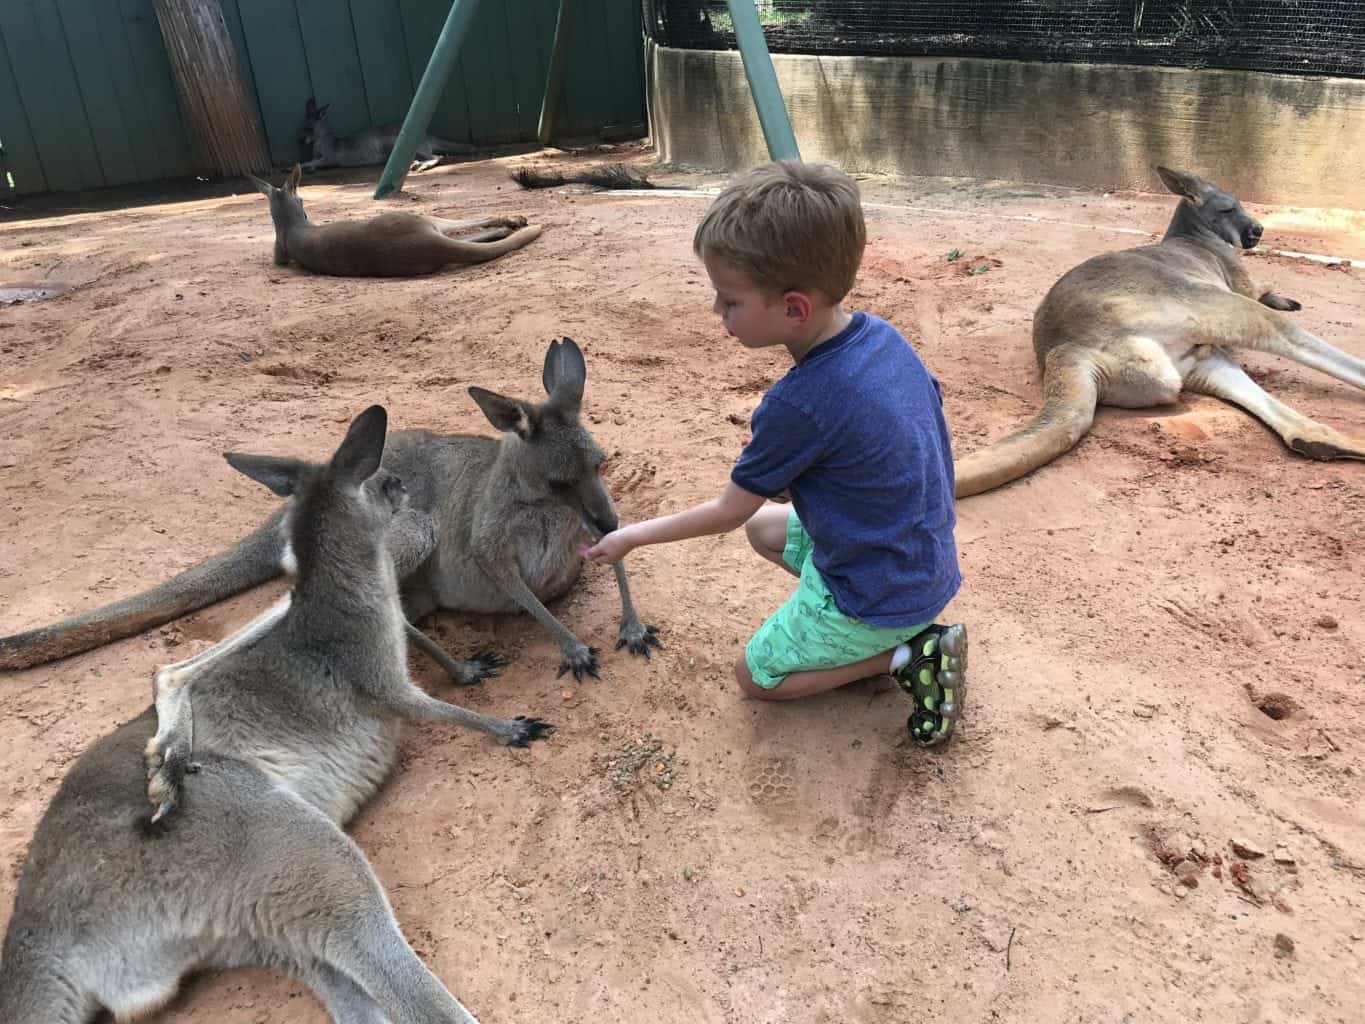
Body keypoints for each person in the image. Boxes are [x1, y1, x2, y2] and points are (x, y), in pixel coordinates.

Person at [583, 160, 967, 745]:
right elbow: (905, 428)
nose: (719, 314)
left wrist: (631, 536)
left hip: (879, 589)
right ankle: (868, 631)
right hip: (920, 558)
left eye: (730, 301)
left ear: (793, 309)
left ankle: (908, 654)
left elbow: (725, 511)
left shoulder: (799, 404)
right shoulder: (883, 338)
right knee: (766, 529)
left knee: (756, 678)